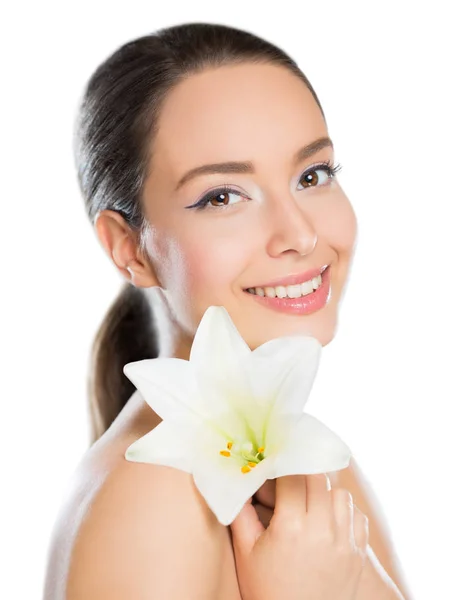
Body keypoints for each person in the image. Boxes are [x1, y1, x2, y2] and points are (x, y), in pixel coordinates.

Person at [43, 22, 412, 600]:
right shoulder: (153, 501)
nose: (300, 234)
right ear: (128, 247)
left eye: (311, 176)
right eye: (222, 196)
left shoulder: (313, 466)